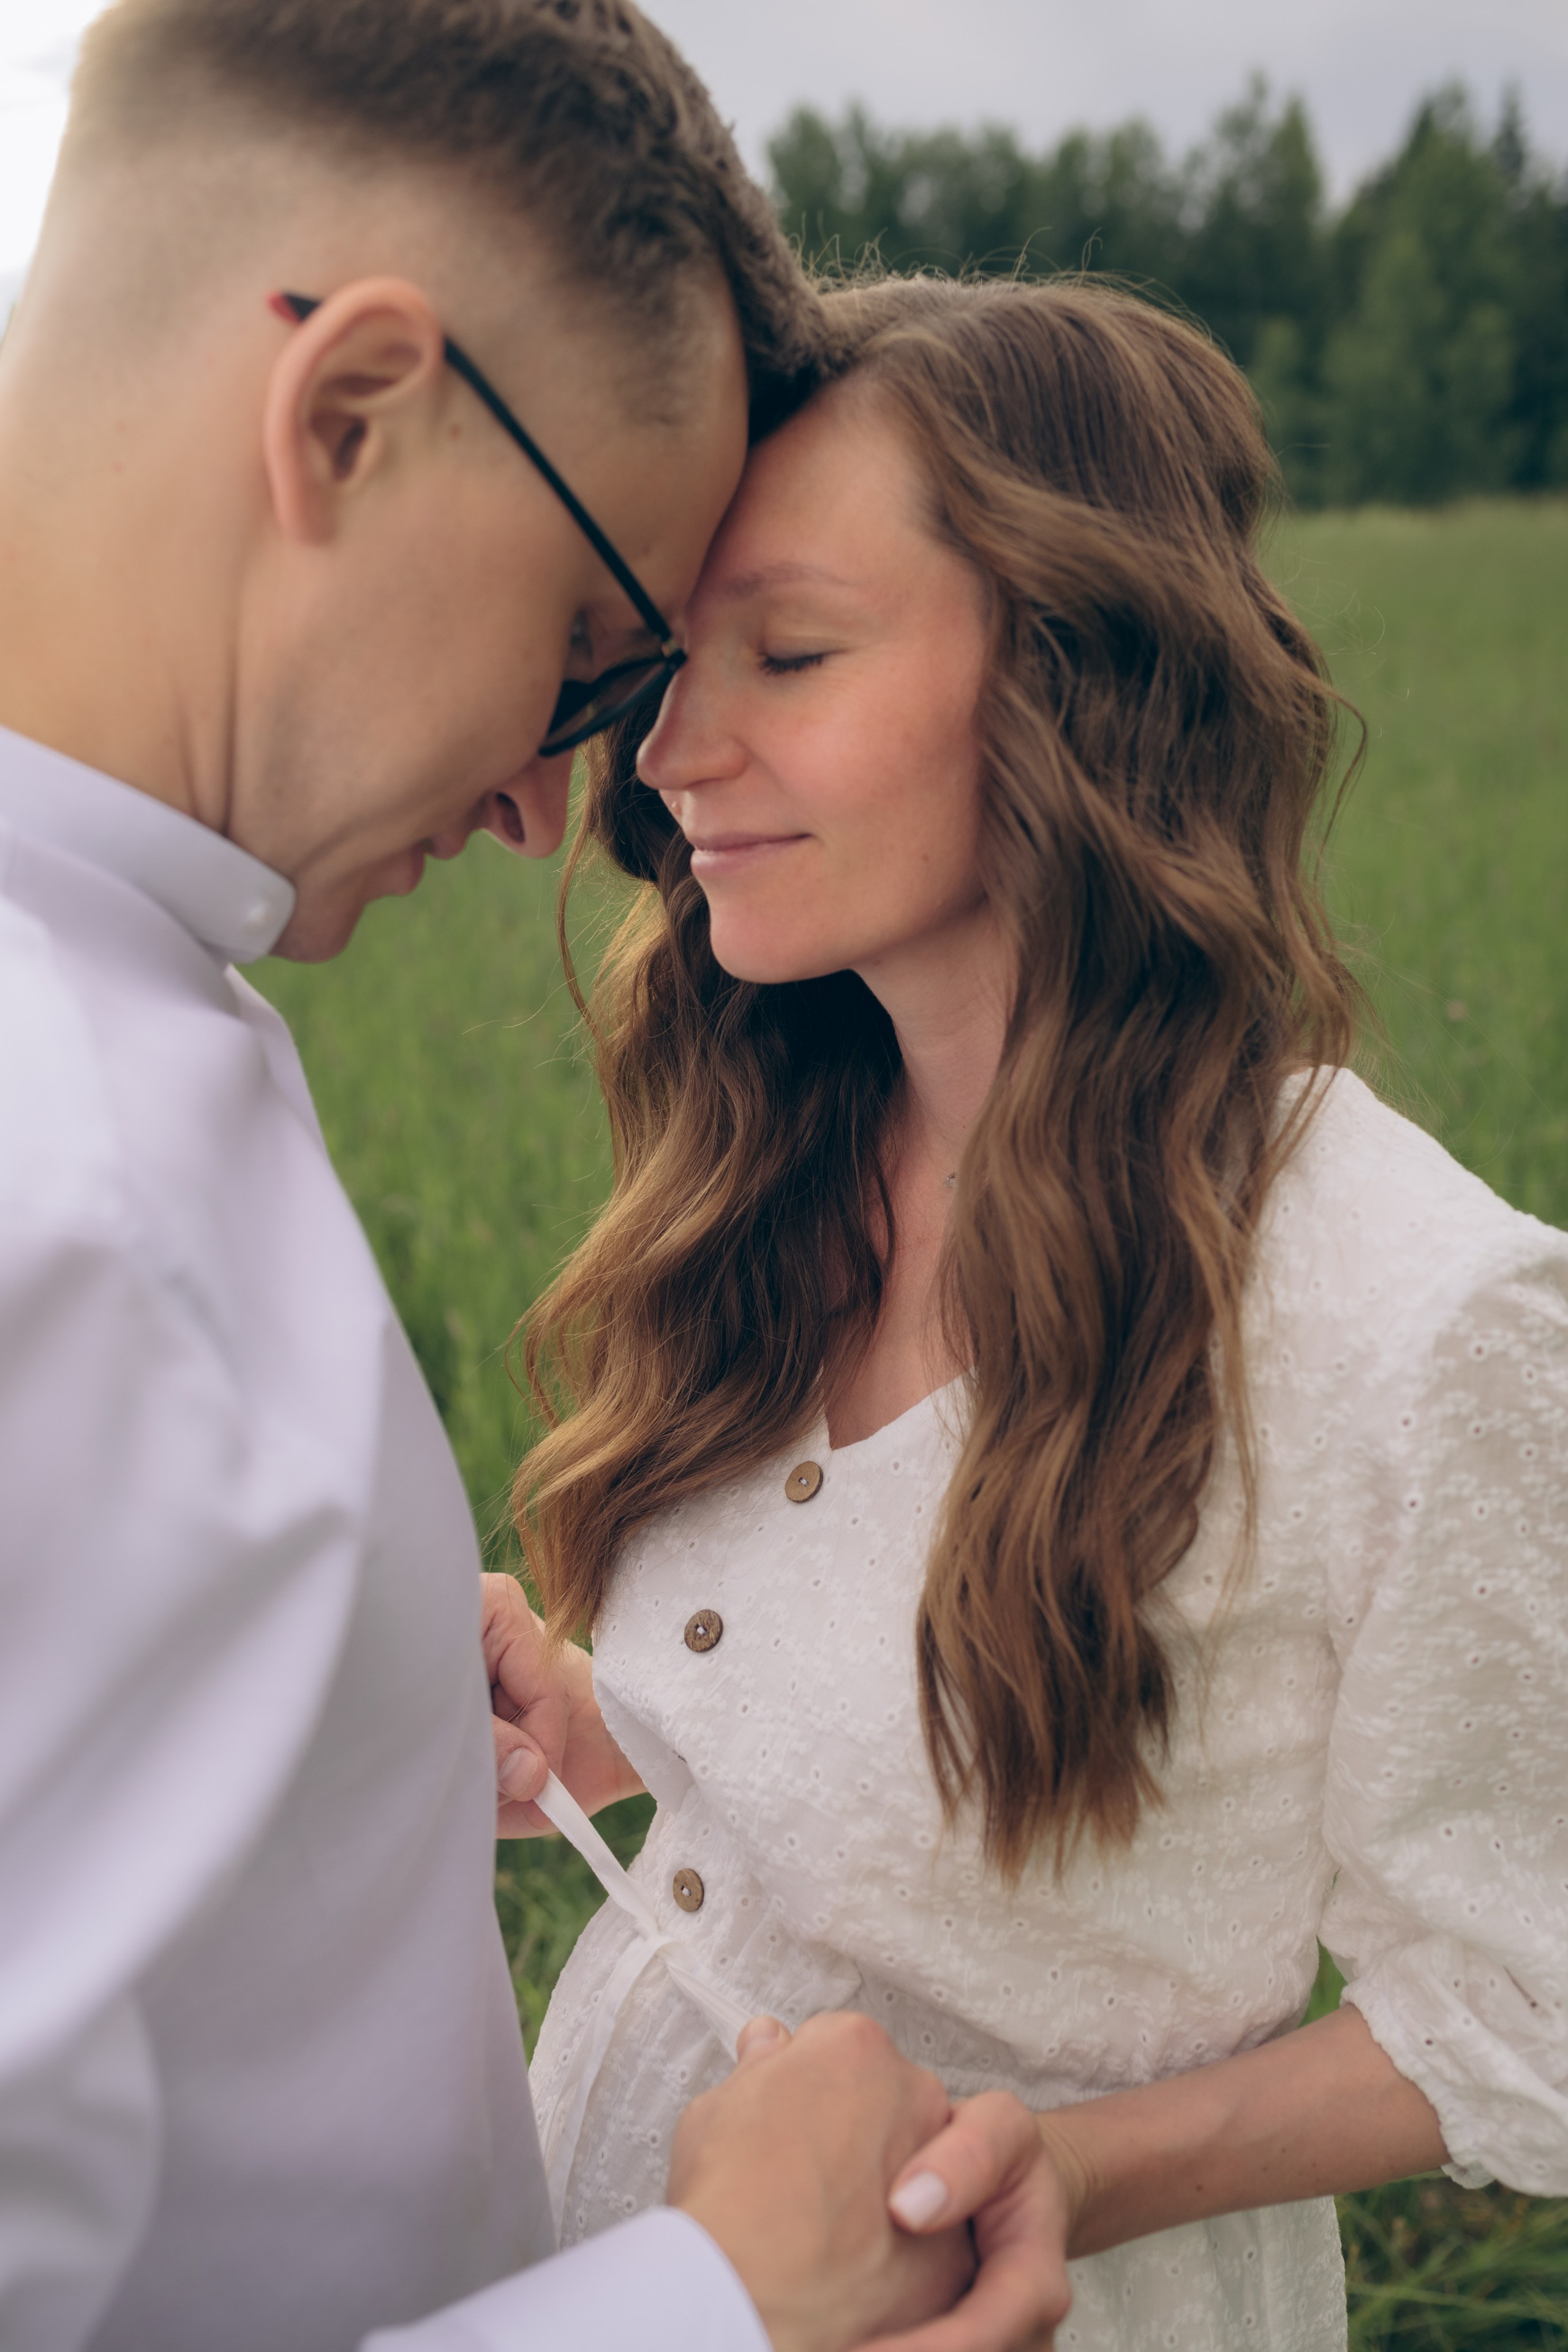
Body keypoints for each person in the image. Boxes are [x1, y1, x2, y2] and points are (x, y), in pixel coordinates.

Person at [0, 7, 1060, 2348]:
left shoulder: (117, 1021)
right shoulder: (58, 1199)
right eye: (593, 656)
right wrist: (715, 2304)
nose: (545, 808)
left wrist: (357, 1705)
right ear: (349, 412)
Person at [488, 273, 1568, 2348]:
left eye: (786, 654)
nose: (673, 750)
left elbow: (1525, 1997)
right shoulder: (775, 1149)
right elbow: (924, 1745)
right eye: (671, 664)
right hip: (624, 2247)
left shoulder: (1416, 1317)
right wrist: (598, 1721)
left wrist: (1057, 2165)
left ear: (1079, 684)